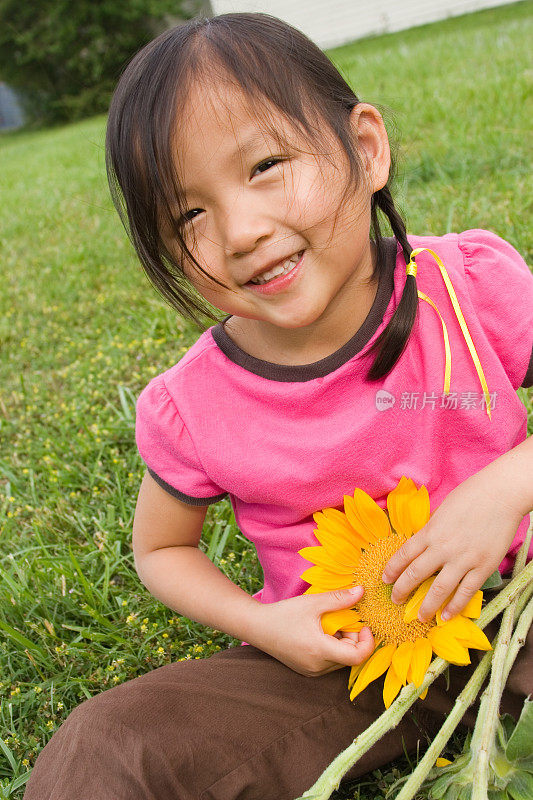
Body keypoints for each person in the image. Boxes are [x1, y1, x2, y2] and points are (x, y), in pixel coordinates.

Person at [24, 12, 533, 800]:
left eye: (264, 165)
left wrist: (503, 490)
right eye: (187, 213)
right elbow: (162, 551)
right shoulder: (192, 407)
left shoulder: (466, 290)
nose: (239, 229)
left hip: (519, 595)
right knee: (108, 747)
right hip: (339, 661)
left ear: (364, 149)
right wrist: (264, 625)